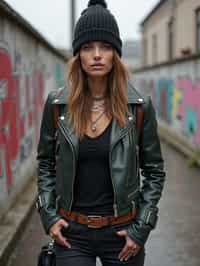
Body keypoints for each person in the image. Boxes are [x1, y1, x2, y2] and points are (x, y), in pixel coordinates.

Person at [36, 0, 166, 265]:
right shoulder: (57, 105)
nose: (97, 54)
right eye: (87, 47)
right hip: (72, 234)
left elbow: (154, 171)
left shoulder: (139, 107)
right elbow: (46, 164)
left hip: (122, 234)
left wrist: (141, 228)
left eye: (105, 47)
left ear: (115, 54)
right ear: (78, 55)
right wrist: (49, 215)